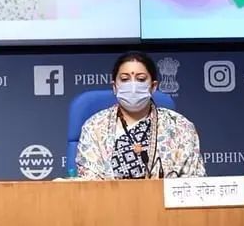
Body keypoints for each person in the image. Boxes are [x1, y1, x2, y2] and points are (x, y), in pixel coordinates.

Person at [76, 51, 206, 179]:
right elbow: (89, 183)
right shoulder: (94, 127)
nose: (133, 86)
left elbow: (193, 182)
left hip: (164, 194)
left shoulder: (180, 127)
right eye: (125, 79)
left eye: (141, 79)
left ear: (153, 86)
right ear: (114, 87)